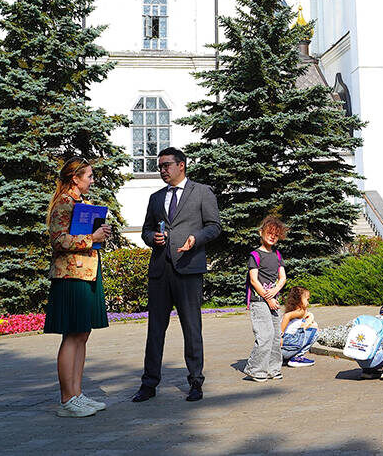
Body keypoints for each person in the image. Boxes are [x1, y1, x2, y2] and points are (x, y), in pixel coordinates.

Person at [133, 147, 222, 403]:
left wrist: (196, 239)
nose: (162, 170)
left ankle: (196, 382)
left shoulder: (202, 192)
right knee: (155, 330)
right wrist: (153, 238)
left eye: (166, 165)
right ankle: (149, 384)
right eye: (159, 166)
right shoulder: (156, 197)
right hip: (161, 270)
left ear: (181, 165)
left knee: (192, 328)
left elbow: (214, 226)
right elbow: (146, 231)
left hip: (188, 268)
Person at [45, 157, 111, 417]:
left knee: (82, 334)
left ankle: (77, 393)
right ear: (76, 178)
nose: (92, 180)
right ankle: (66, 399)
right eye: (89, 176)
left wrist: (100, 235)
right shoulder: (63, 202)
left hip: (87, 273)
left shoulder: (81, 204)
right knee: (72, 335)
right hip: (70, 275)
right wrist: (90, 238)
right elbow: (58, 240)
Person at [244, 216, 288, 382]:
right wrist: (267, 298)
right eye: (269, 233)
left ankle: (273, 369)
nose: (272, 237)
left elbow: (282, 277)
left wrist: (276, 290)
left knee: (277, 335)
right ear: (261, 233)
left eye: (276, 235)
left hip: (273, 301)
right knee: (265, 335)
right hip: (259, 301)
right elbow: (254, 280)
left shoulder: (277, 255)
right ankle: (256, 370)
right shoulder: (255, 255)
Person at [280, 286, 318, 368]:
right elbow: (287, 316)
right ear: (298, 300)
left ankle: (286, 359)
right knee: (315, 330)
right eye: (307, 299)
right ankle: (297, 357)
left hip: (282, 349)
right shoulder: (300, 311)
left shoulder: (292, 310)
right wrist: (280, 336)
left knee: (307, 325)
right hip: (288, 343)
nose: (308, 303)